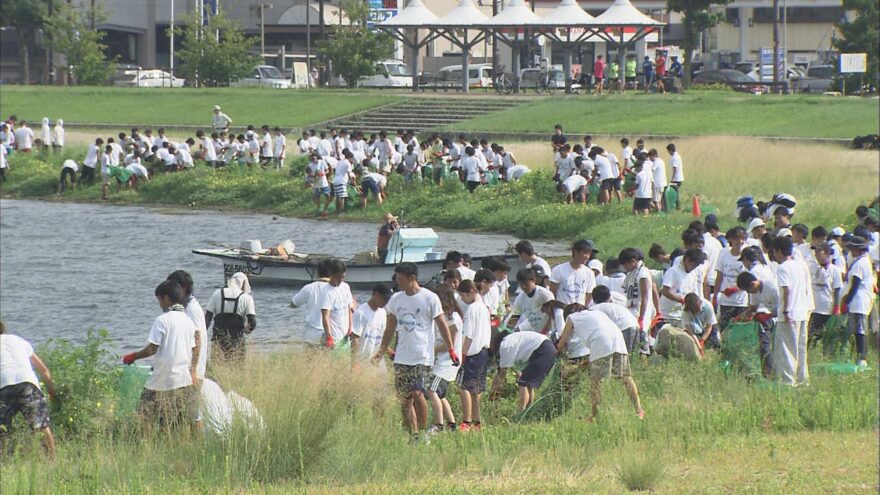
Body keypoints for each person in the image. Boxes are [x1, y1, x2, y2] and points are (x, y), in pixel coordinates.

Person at [374, 263, 459, 444]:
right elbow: (390, 328)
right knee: (404, 400)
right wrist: (381, 351)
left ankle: (422, 431)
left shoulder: (430, 298)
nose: (397, 282)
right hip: (402, 356)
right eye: (396, 278)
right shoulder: (396, 299)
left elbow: (442, 325)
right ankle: (412, 434)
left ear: (412, 278)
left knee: (418, 393)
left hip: (422, 356)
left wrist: (451, 348)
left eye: (400, 279)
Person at [123, 280, 200, 431]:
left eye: (159, 300)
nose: (159, 304)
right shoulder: (188, 321)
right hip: (183, 380)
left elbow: (152, 349)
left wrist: (133, 356)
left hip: (161, 380)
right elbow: (193, 348)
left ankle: (145, 445)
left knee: (143, 417)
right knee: (182, 421)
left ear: (166, 298)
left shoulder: (162, 320)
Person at [556, 307, 645, 421]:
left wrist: (556, 352)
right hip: (618, 339)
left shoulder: (571, 317)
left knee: (595, 382)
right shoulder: (597, 313)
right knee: (626, 377)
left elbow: (561, 343)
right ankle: (639, 410)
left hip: (600, 341)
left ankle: (595, 415)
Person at [0, 321, 58, 458]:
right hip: (28, 384)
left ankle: (4, 462)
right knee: (42, 426)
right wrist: (52, 394)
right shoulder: (19, 340)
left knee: (1, 429)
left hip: (3, 386)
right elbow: (44, 371)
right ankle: (53, 461)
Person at [773, 236, 814, 386]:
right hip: (802, 312)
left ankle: (787, 382)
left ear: (778, 251)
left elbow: (787, 290)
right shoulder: (799, 265)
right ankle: (802, 380)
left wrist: (785, 311)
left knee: (787, 350)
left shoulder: (783, 268)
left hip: (789, 315)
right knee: (801, 349)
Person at [426, 284, 463, 434]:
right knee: (440, 394)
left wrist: (430, 350)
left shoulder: (452, 317)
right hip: (442, 361)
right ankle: (452, 424)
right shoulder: (446, 316)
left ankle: (438, 425)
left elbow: (450, 344)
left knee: (430, 390)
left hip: (446, 362)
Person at [489, 330, 556, 412]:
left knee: (523, 383)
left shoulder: (505, 346)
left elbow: (501, 375)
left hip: (543, 350)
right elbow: (516, 370)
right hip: (546, 348)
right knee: (528, 384)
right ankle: (528, 412)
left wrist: (494, 395)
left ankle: (520, 413)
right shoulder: (510, 340)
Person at [456, 280, 491, 432]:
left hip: (472, 352)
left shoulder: (471, 309)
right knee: (477, 389)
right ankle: (477, 422)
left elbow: (468, 335)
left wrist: (462, 355)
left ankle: (466, 421)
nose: (462, 299)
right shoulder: (484, 307)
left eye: (463, 295)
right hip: (484, 351)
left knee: (465, 387)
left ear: (471, 292)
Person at [166, 270, 209, 388]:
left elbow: (197, 340)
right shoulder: (185, 307)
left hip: (191, 373)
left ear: (183, 288)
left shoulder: (192, 310)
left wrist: (193, 370)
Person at [204, 272, 257, 361]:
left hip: (218, 339)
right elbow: (252, 322)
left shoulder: (217, 293)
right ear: (244, 283)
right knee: (237, 367)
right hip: (237, 340)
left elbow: (207, 319)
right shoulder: (247, 298)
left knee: (217, 366)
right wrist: (246, 331)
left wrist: (201, 335)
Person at [736, 270, 779, 378]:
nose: (748, 293)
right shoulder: (755, 292)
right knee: (763, 345)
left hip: (782, 318)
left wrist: (767, 316)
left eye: (747, 290)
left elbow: (783, 307)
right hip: (770, 317)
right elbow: (753, 308)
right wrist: (739, 317)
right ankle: (767, 372)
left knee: (776, 347)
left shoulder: (771, 287)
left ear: (753, 284)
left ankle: (772, 372)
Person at [842, 236, 874, 366]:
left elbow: (855, 284)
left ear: (859, 249)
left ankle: (862, 357)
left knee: (860, 329)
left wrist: (846, 301)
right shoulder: (863, 260)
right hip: (859, 299)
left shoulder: (861, 263)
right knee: (857, 329)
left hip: (859, 299)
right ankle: (859, 356)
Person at [713, 227, 749, 334]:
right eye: (737, 239)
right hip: (726, 300)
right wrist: (715, 296)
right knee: (724, 328)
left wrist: (736, 288)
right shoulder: (724, 253)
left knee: (740, 329)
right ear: (731, 240)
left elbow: (750, 278)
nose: (740, 241)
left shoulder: (746, 254)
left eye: (742, 239)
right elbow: (719, 276)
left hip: (742, 301)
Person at [659, 248, 706, 328]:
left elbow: (693, 293)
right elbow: (666, 291)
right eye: (693, 265)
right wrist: (681, 300)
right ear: (687, 260)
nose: (694, 268)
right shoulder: (673, 271)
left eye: (696, 266)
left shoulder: (693, 274)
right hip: (668, 315)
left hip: (682, 315)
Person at [807, 243, 843, 345]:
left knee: (825, 334)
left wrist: (837, 306)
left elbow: (837, 289)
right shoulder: (812, 267)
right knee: (811, 333)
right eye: (815, 252)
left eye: (819, 252)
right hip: (813, 307)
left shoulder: (835, 270)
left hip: (826, 307)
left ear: (827, 253)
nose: (816, 254)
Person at [290, 260, 331, 347]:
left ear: (317, 273)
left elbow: (294, 303)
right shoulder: (338, 289)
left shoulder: (309, 288)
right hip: (331, 332)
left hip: (311, 333)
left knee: (310, 359)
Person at [351, 283, 393, 367]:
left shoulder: (383, 312)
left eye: (388, 299)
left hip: (377, 361)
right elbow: (355, 338)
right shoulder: (361, 313)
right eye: (385, 298)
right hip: (362, 362)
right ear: (376, 294)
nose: (386, 302)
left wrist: (390, 352)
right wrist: (355, 361)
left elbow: (381, 337)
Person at [591, 285, 640, 354]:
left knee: (624, 354)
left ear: (593, 299)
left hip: (625, 327)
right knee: (634, 355)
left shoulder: (595, 309)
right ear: (609, 296)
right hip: (635, 324)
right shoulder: (615, 306)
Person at [550, 239, 598, 307]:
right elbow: (552, 292)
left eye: (589, 254)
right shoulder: (559, 269)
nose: (587, 256)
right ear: (575, 252)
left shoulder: (589, 273)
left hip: (579, 311)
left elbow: (589, 294)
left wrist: (583, 307)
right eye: (585, 253)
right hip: (561, 309)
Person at [319, 259, 354, 349]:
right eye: (338, 278)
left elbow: (349, 308)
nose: (340, 280)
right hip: (334, 337)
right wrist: (329, 337)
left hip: (346, 336)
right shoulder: (326, 292)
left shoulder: (346, 287)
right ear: (330, 274)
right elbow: (325, 316)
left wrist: (350, 327)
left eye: (343, 277)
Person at [507, 268, 555, 333]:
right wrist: (507, 331)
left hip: (547, 332)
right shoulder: (520, 298)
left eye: (526, 284)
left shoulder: (545, 295)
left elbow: (552, 316)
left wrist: (545, 331)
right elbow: (515, 317)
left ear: (534, 280)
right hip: (532, 331)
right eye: (521, 284)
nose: (524, 287)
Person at [333, 149, 354, 214]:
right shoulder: (348, 164)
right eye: (352, 158)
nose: (352, 160)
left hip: (335, 181)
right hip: (341, 181)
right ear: (350, 158)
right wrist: (352, 181)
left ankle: (337, 211)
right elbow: (349, 174)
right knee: (342, 197)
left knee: (337, 197)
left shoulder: (340, 161)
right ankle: (341, 211)